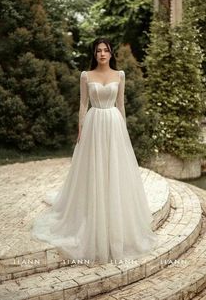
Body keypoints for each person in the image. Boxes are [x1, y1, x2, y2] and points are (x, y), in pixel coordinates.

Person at [31, 37, 158, 265]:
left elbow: (121, 105)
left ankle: (114, 219)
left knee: (114, 172)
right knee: (93, 171)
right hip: (93, 125)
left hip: (113, 125)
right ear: (94, 54)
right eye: (98, 50)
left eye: (105, 50)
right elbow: (82, 104)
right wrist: (80, 130)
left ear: (110, 54)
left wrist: (125, 131)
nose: (101, 54)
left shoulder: (120, 75)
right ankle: (91, 216)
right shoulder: (85, 76)